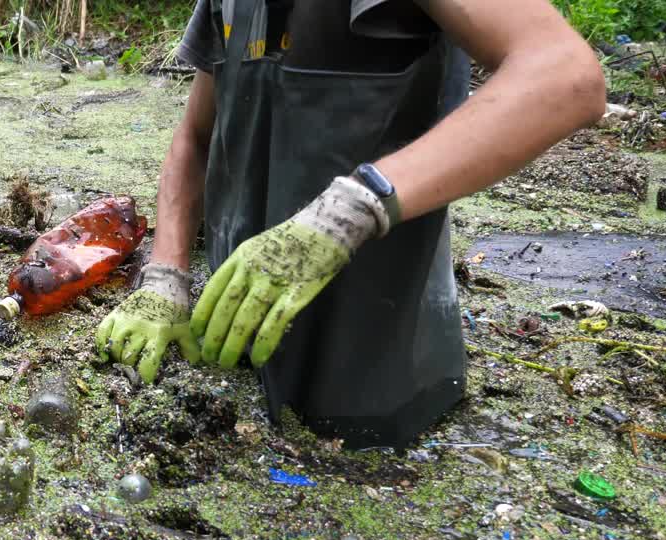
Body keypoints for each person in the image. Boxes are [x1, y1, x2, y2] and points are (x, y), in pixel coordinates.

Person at [95, 0, 606, 448]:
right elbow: (196, 138)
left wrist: (352, 209)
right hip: (234, 362)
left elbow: (564, 76)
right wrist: (166, 274)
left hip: (376, 380)